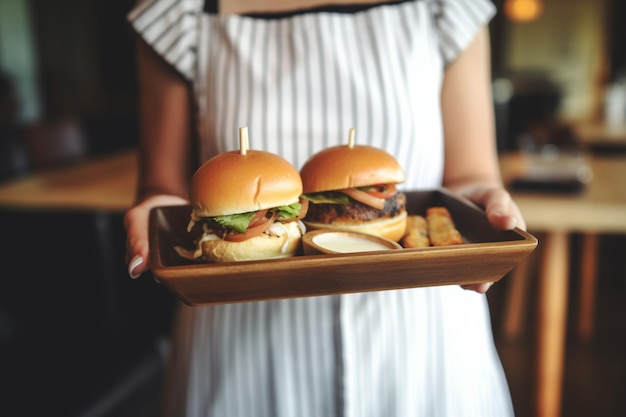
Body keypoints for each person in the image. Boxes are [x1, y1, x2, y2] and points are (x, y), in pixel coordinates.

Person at [124, 1, 526, 416]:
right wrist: (155, 212)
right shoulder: (176, 10)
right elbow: (163, 186)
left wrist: (482, 197)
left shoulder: (449, 6)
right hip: (239, 339)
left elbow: (471, 174)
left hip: (425, 335)